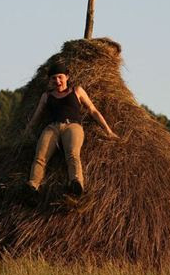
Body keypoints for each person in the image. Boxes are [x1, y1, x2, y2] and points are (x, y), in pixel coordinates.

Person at [23, 61, 118, 199]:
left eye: (60, 77)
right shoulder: (46, 96)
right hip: (52, 127)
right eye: (53, 78)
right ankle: (33, 186)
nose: (57, 81)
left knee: (72, 153)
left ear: (67, 77)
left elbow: (93, 110)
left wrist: (108, 130)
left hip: (73, 126)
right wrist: (27, 130)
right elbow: (37, 116)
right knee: (40, 156)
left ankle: (76, 182)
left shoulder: (77, 90)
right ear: (50, 80)